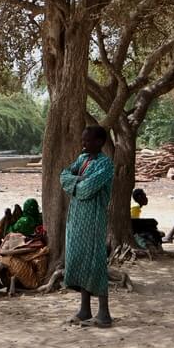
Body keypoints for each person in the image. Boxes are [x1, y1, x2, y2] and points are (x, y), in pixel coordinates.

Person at [61, 125, 115, 328]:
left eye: (88, 141)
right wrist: (77, 179)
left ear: (100, 142)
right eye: (83, 140)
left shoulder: (105, 165)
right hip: (76, 219)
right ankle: (84, 310)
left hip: (93, 221)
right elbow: (63, 175)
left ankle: (104, 314)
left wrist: (74, 182)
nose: (84, 144)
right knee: (80, 260)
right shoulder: (82, 160)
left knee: (95, 261)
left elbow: (85, 190)